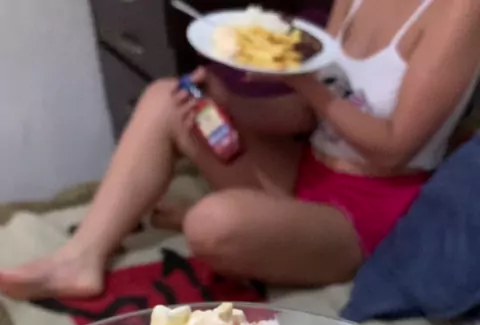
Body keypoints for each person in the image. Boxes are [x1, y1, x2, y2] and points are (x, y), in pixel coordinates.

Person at [1, 0, 480, 301]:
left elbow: (393, 148)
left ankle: (263, 228)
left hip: (373, 212)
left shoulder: (462, 11)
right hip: (309, 169)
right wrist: (229, 103)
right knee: (169, 97)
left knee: (211, 223)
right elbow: (306, 115)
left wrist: (304, 82)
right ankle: (80, 257)